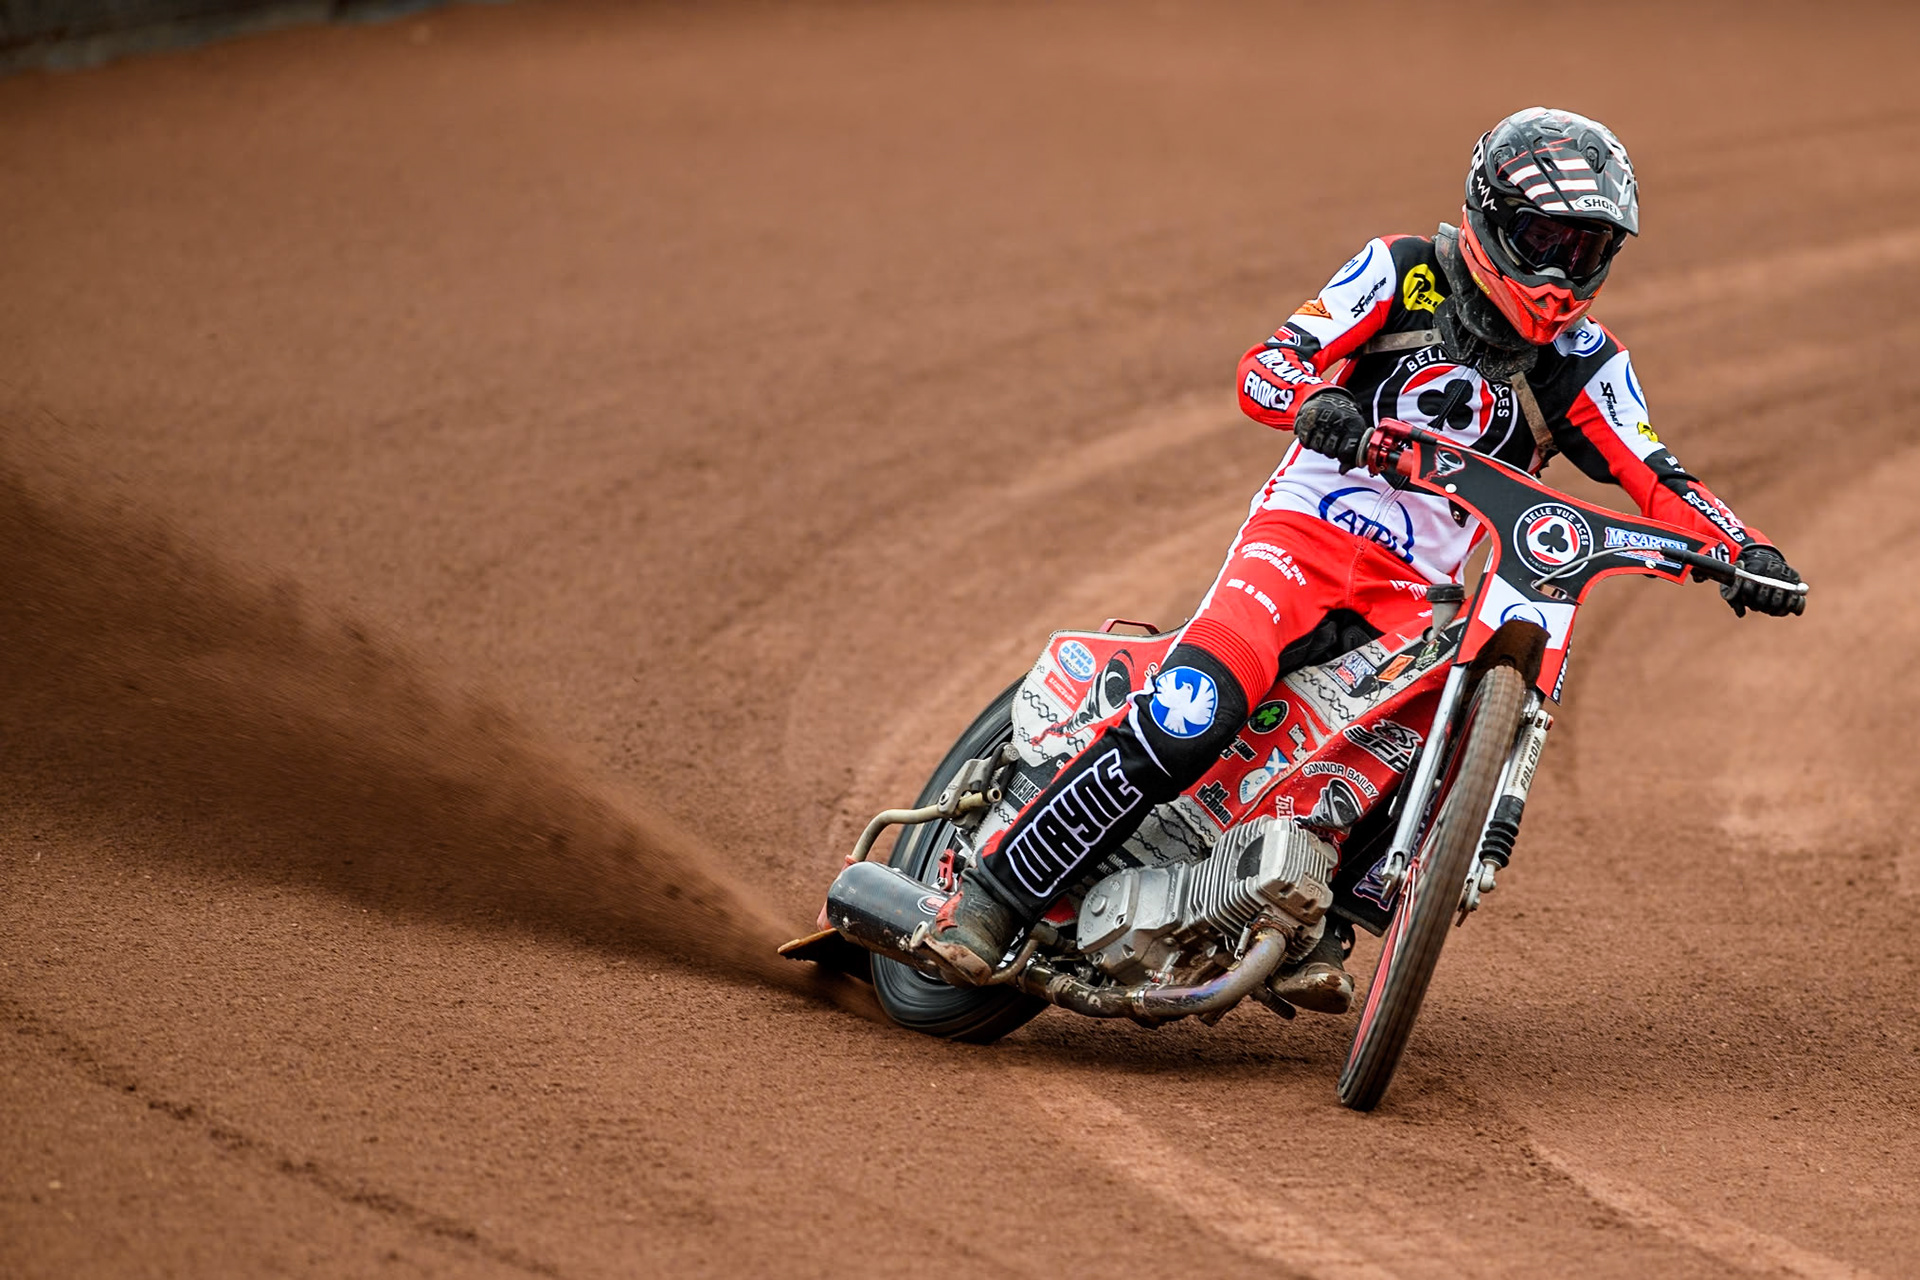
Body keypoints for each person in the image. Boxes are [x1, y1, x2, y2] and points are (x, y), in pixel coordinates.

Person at [926, 107, 1803, 1009]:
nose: (1558, 271)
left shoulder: (1587, 363)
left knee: (1425, 735)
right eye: (1542, 237)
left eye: (1584, 250)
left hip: (1411, 600)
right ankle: (989, 899)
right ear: (1491, 215)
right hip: (1301, 542)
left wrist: (1747, 549)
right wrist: (1315, 404)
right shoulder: (1400, 270)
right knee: (1199, 706)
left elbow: (1660, 474)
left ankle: (1312, 916)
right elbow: (1270, 362)